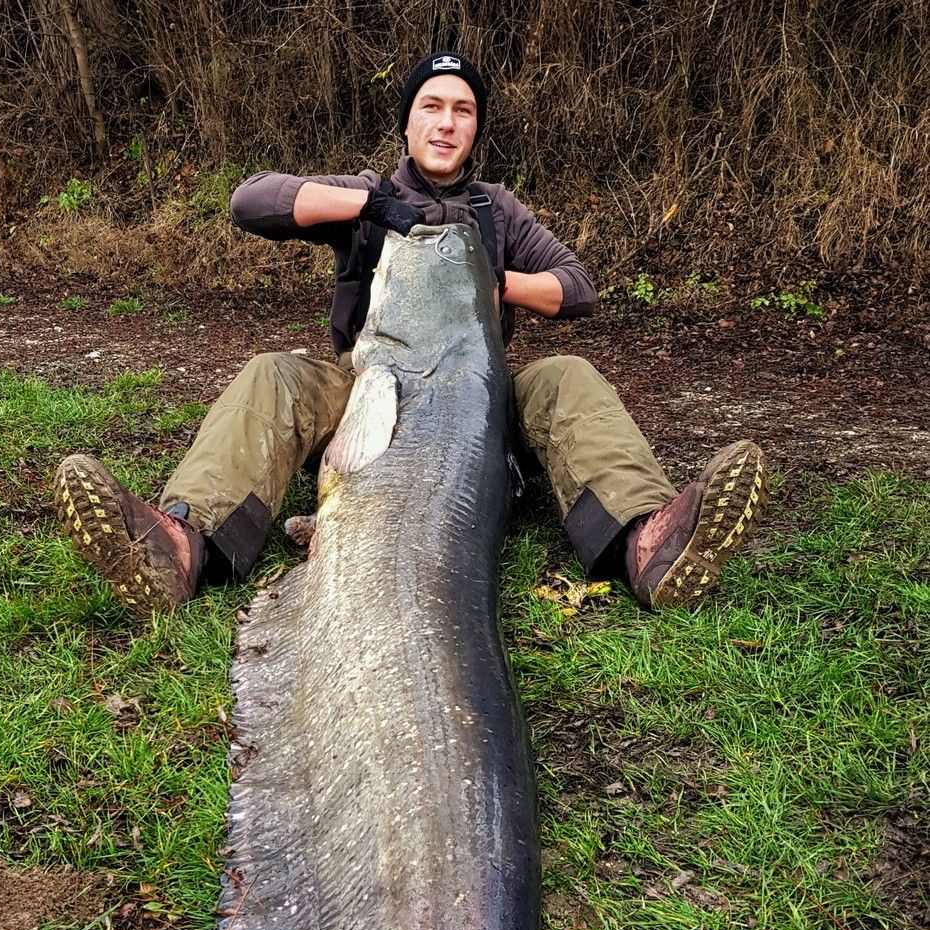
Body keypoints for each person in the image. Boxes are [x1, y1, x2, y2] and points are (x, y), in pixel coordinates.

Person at [54, 52, 767, 617]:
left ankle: (648, 542)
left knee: (568, 375)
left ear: (475, 128)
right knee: (274, 371)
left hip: (473, 402)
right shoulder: (366, 194)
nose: (447, 122)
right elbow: (251, 201)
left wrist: (495, 286)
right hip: (368, 387)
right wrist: (368, 203)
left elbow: (576, 287)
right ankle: (180, 544)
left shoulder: (498, 211)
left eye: (463, 110)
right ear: (408, 122)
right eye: (432, 106)